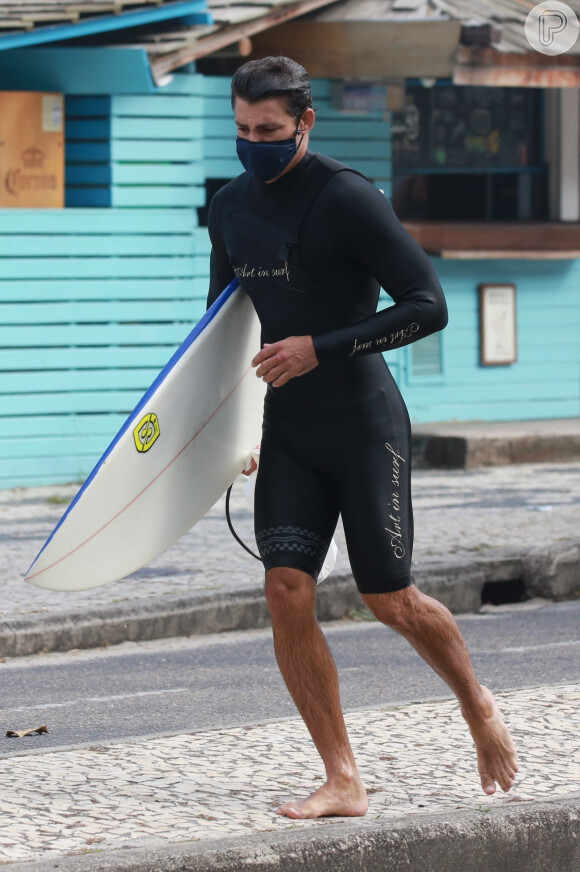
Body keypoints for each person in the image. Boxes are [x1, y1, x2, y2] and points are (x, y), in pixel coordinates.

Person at [207, 56, 518, 820]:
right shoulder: (230, 206)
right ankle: (342, 777)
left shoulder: (347, 198)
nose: (254, 144)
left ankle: (476, 702)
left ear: (305, 123)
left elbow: (428, 304)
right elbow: (220, 327)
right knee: (285, 591)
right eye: (243, 130)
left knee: (390, 599)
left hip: (363, 425)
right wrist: (228, 430)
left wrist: (320, 347)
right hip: (289, 429)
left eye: (270, 131)